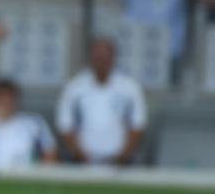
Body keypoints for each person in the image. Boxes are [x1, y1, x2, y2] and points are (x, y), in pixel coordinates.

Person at [56, 36, 147, 166]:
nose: (101, 62)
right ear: (91, 59)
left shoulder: (130, 88)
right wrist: (82, 157)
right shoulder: (74, 88)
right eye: (98, 58)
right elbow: (65, 126)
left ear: (113, 59)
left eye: (105, 58)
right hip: (82, 162)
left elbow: (138, 125)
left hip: (120, 164)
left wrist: (121, 158)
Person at [0, 79, 56, 177]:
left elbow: (49, 152)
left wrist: (41, 175)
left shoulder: (32, 122)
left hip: (25, 177)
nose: (5, 100)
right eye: (1, 96)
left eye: (9, 96)